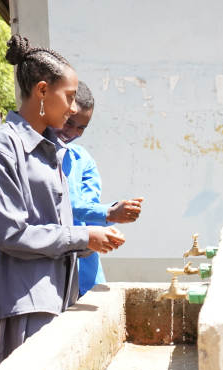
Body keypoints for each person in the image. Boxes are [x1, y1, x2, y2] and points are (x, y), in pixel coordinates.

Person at [0, 35, 125, 370]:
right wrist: (84, 238)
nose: (73, 108)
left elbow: (58, 228)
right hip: (23, 301)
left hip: (57, 295)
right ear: (42, 91)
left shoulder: (52, 150)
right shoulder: (2, 146)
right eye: (69, 97)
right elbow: (11, 233)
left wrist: (91, 241)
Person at [56, 80, 143, 295]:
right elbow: (66, 203)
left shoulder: (82, 159)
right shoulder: (41, 158)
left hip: (86, 273)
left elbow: (87, 208)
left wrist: (115, 215)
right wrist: (110, 212)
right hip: (55, 270)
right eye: (69, 123)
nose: (73, 132)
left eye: (81, 127)